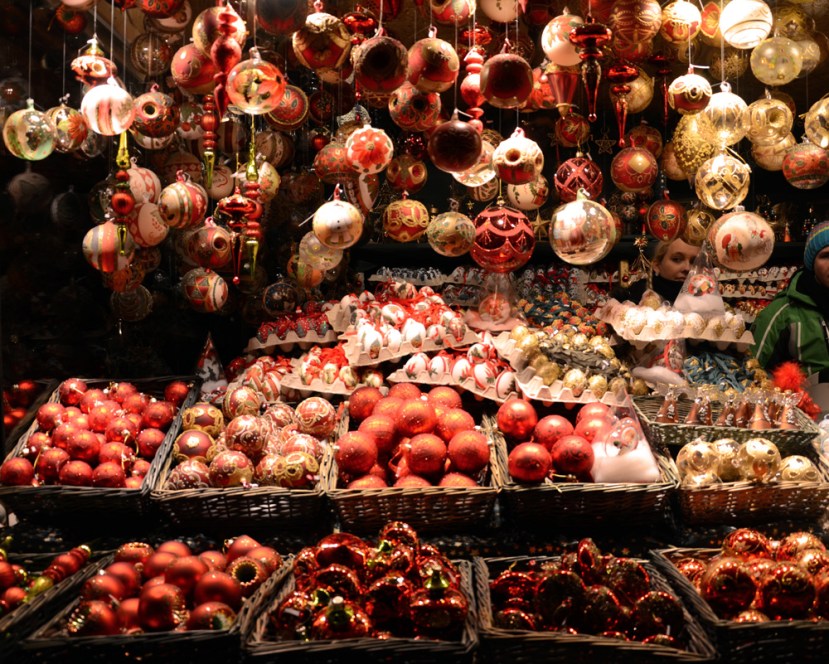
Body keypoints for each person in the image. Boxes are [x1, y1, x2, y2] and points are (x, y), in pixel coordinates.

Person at [752, 221, 829, 411]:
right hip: (804, 421)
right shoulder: (781, 314)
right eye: (826, 256)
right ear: (811, 263)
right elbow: (752, 374)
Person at [613, 237, 701, 304]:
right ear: (657, 265)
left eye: (694, 261)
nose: (687, 268)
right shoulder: (629, 299)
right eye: (677, 259)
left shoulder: (709, 299)